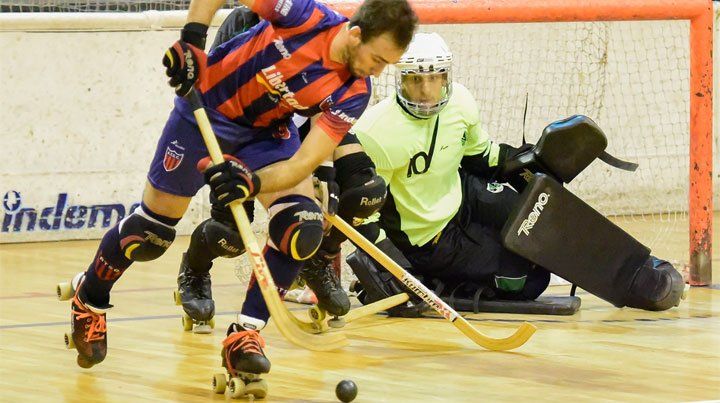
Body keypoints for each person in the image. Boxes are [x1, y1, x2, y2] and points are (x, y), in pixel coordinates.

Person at [60, 0, 417, 380]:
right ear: (356, 34)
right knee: (150, 236)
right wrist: (193, 39)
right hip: (203, 113)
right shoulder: (304, 16)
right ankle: (90, 297)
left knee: (302, 224)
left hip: (265, 136)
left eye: (387, 64)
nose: (378, 71)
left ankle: (245, 335)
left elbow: (302, 163)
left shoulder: (355, 91)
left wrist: (252, 182)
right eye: (377, 59)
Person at [336, 32, 685, 317]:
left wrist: (528, 161)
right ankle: (432, 276)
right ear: (400, 80)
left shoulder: (460, 101)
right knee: (531, 280)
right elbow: (364, 213)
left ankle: (637, 274)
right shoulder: (375, 133)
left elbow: (481, 155)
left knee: (541, 207)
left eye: (434, 78)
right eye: (415, 80)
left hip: (462, 194)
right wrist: (395, 267)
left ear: (446, 77)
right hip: (427, 238)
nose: (426, 91)